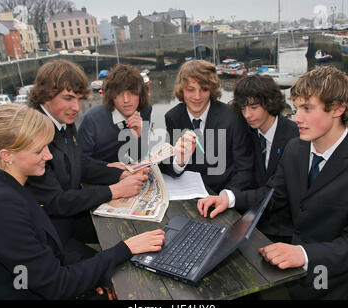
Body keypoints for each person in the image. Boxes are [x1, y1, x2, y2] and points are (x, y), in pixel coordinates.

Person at [197, 66, 348, 299]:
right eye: (297, 107)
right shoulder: (296, 149)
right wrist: (229, 198)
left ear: (339, 108)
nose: (297, 117)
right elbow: (273, 195)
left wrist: (304, 254)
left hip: (325, 282)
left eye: (307, 108)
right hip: (285, 271)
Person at [0, 104, 165, 299]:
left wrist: (92, 277)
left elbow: (45, 257)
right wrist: (126, 248)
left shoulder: (11, 188)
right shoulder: (0, 209)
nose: (49, 155)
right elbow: (56, 285)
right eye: (38, 150)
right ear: (7, 155)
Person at [26, 59, 147, 258]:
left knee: (136, 229)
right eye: (68, 98)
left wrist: (120, 174)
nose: (76, 107)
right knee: (117, 266)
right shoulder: (34, 132)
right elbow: (56, 201)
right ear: (46, 93)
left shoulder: (63, 120)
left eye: (79, 99)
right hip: (49, 236)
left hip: (68, 219)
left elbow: (80, 162)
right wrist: (113, 191)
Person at [161, 59, 254, 193]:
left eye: (204, 89)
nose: (197, 97)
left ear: (212, 89)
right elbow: (168, 167)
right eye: (191, 90)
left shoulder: (232, 117)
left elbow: (245, 169)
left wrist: (225, 197)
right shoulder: (173, 117)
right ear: (182, 90)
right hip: (190, 197)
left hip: (224, 194)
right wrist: (180, 160)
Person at [231, 74, 299, 242]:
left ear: (269, 102)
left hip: (286, 230)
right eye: (243, 108)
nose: (247, 115)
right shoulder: (249, 132)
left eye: (253, 107)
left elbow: (278, 194)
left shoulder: (295, 138)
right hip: (256, 221)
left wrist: (230, 198)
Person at [78, 63, 152, 167]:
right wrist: (111, 170)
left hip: (127, 171)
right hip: (98, 176)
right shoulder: (92, 118)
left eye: (132, 92)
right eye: (119, 93)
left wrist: (138, 136)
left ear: (140, 93)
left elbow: (137, 156)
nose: (126, 100)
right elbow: (80, 163)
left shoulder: (145, 110)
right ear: (111, 96)